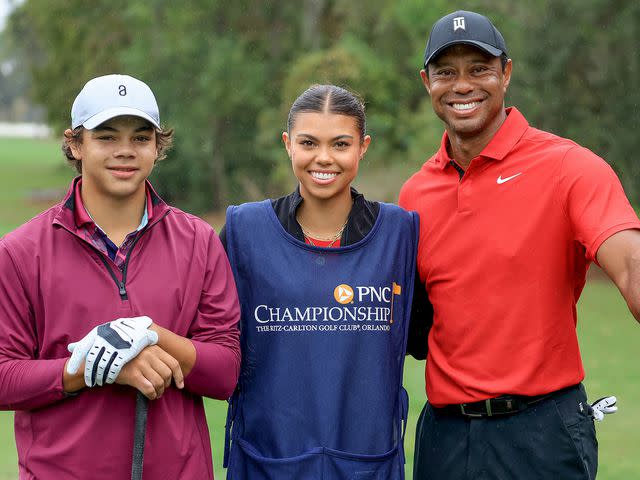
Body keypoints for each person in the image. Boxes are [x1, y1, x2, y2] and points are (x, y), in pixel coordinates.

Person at [399, 10, 640, 480]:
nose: (462, 85)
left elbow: (630, 265)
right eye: (446, 72)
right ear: (426, 82)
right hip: (444, 437)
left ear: (506, 73)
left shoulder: (570, 167)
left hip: (542, 432)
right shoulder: (415, 193)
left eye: (479, 69)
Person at [0, 74, 241, 479]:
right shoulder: (21, 251)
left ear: (157, 147)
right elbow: (5, 375)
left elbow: (225, 373)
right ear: (76, 144)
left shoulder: (199, 240)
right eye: (107, 137)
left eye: (141, 138)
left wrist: (149, 333)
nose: (125, 152)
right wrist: (88, 369)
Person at [221, 84, 419, 479]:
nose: (324, 158)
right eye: (309, 142)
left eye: (341, 144)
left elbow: (429, 335)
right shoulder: (244, 230)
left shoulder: (400, 234)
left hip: (370, 465)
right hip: (267, 463)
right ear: (287, 144)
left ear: (363, 147)